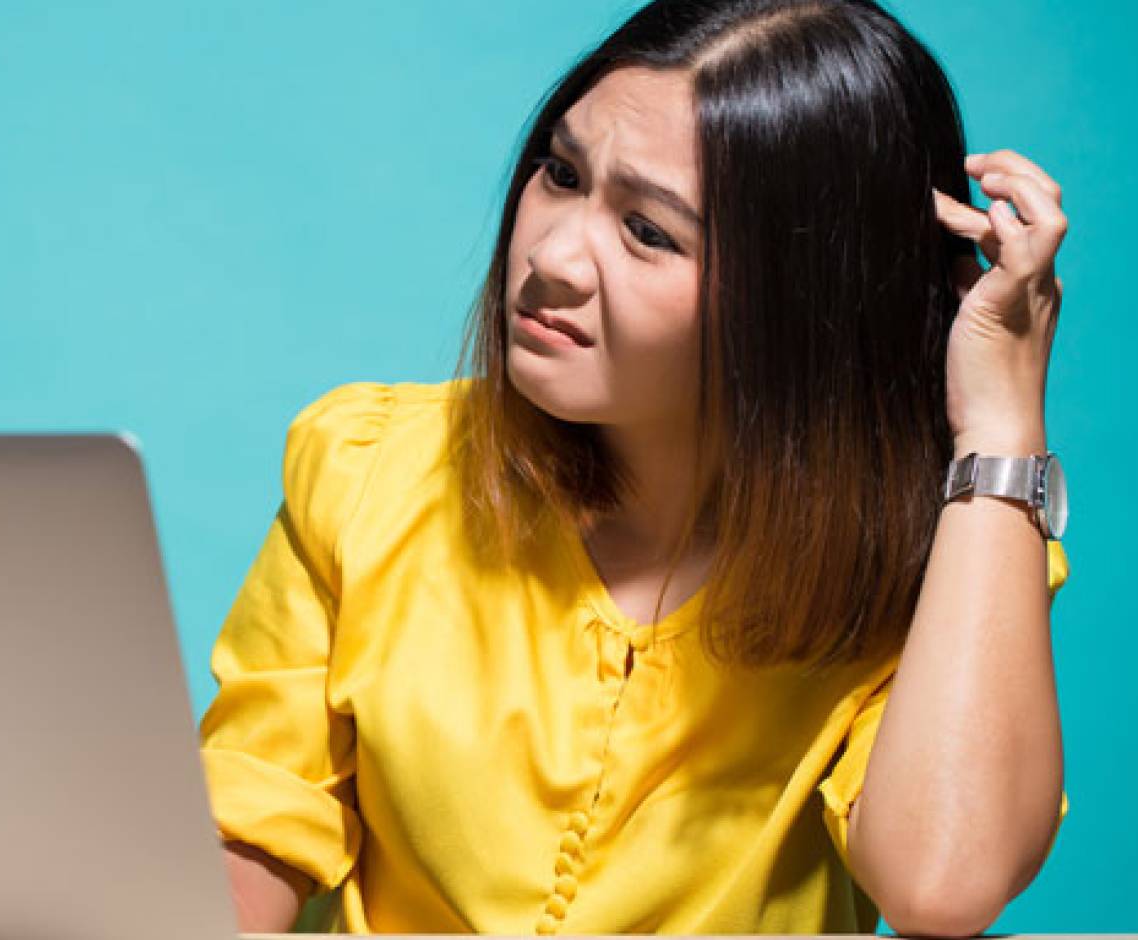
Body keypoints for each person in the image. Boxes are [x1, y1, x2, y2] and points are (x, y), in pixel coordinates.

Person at [198, 0, 1072, 934]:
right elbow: (251, 834)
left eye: (650, 232)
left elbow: (942, 884)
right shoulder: (368, 465)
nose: (552, 256)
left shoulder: (933, 566)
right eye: (562, 173)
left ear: (804, 300)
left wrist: (1001, 426)